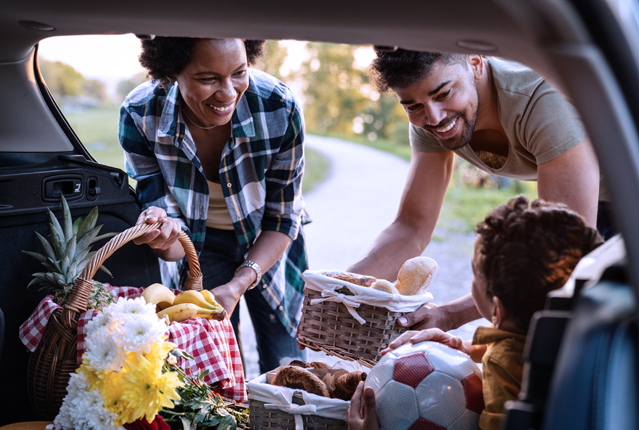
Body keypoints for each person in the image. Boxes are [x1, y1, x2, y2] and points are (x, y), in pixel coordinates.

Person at [348, 49, 612, 333]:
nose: (434, 118)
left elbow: (558, 256)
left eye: (444, 94)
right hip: (595, 202)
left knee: (576, 325)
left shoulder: (541, 101)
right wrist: (339, 289)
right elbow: (412, 227)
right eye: (412, 106)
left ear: (475, 62)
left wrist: (450, 314)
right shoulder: (428, 115)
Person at [119, 37, 307, 373]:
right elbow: (172, 245)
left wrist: (239, 282)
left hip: (269, 244)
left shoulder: (278, 106)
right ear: (172, 73)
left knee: (287, 369)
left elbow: (283, 218)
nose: (228, 93)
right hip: (199, 249)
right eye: (208, 79)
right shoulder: (140, 114)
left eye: (239, 72)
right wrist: (163, 236)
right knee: (214, 371)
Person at [348, 196, 603, 430]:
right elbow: (518, 347)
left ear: (498, 310)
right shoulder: (578, 336)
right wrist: (467, 349)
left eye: (475, 276)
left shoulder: (502, 367)